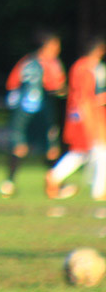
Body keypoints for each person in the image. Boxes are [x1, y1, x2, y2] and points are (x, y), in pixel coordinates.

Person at [0, 30, 66, 198]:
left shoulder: (25, 62)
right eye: (56, 45)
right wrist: (64, 91)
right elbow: (54, 86)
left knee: (20, 145)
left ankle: (9, 183)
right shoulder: (50, 63)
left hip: (22, 110)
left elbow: (12, 83)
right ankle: (54, 184)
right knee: (51, 148)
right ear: (48, 46)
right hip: (42, 111)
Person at [44, 37, 106, 201]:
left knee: (83, 152)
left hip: (83, 115)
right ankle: (99, 190)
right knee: (99, 150)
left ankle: (55, 176)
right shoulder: (85, 68)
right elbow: (84, 97)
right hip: (85, 116)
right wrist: (89, 119)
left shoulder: (82, 66)